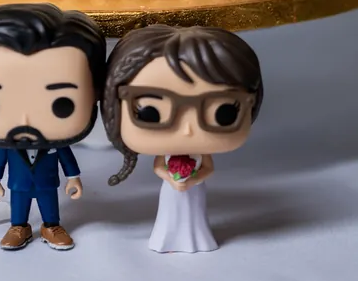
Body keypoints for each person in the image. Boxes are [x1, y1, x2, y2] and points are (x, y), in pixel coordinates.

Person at [0, 3, 106, 252]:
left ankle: (51, 226)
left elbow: (66, 158)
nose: (25, 120)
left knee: (50, 206)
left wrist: (73, 178)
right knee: (19, 207)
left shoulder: (57, 143)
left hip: (47, 182)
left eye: (62, 104)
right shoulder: (6, 145)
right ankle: (19, 227)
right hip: (18, 184)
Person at [101, 24, 263, 253]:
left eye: (223, 111)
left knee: (194, 217)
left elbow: (208, 168)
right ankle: (165, 241)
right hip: (172, 189)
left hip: (193, 189)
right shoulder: (166, 154)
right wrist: (172, 179)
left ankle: (198, 241)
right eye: (150, 111)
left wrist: (193, 179)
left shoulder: (198, 154)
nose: (187, 130)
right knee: (169, 215)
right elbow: (159, 167)